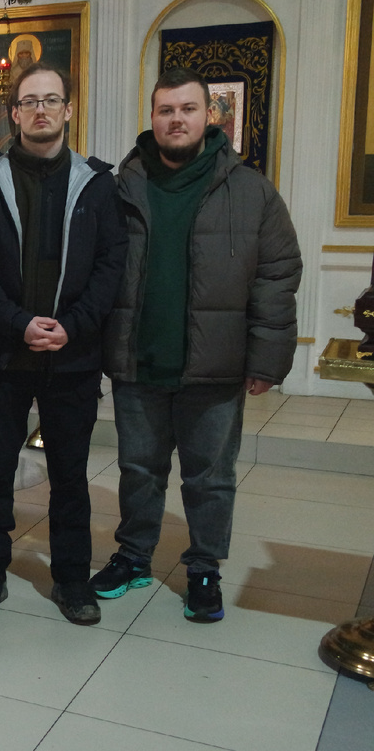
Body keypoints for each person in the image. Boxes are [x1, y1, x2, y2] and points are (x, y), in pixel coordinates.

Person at [91, 67, 302, 622]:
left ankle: (204, 566)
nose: (176, 120)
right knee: (139, 468)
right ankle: (134, 555)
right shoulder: (122, 186)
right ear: (152, 117)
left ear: (210, 116)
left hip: (215, 362)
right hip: (139, 357)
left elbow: (277, 274)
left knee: (210, 477)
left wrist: (267, 359)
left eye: (187, 109)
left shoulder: (251, 191)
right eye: (166, 110)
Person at [0, 61, 127, 626]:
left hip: (72, 357)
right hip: (2, 354)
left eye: (52, 100)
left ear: (68, 110)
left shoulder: (97, 184)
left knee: (70, 475)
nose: (41, 110)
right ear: (15, 113)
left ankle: (72, 579)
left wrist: (72, 325)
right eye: (30, 101)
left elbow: (111, 266)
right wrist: (17, 323)